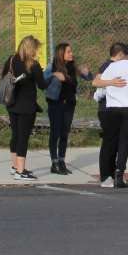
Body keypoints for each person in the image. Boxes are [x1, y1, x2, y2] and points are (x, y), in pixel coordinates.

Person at [3, 35, 56, 181]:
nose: (37, 52)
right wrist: (52, 76)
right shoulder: (34, 65)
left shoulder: (11, 60)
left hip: (12, 103)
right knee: (23, 137)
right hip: (27, 106)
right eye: (36, 49)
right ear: (31, 49)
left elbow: (4, 77)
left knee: (15, 134)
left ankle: (15, 167)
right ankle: (20, 172)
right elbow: (42, 85)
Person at [94, 44, 128, 185]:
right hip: (127, 110)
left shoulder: (111, 67)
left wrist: (100, 95)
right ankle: (119, 174)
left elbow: (99, 89)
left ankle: (123, 173)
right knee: (125, 142)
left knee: (111, 142)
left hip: (111, 109)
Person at [44, 43, 94, 175]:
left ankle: (62, 161)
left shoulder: (73, 67)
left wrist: (87, 72)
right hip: (56, 103)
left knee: (64, 133)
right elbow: (42, 81)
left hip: (69, 104)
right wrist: (54, 75)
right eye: (68, 52)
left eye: (71, 51)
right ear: (61, 54)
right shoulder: (52, 66)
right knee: (55, 133)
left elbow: (89, 77)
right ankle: (54, 163)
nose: (71, 54)